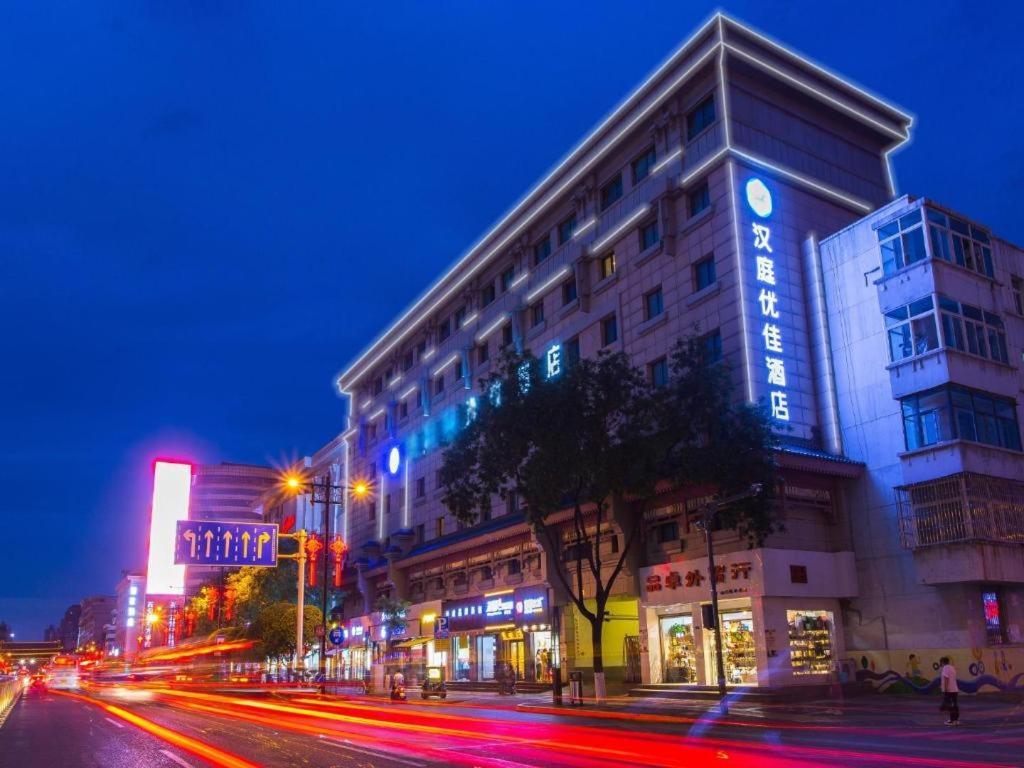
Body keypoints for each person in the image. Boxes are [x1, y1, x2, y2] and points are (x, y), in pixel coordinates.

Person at [940, 656, 959, 725]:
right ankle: (956, 720)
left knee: (950, 705)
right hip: (955, 689)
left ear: (942, 662)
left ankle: (952, 720)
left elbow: (946, 678)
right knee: (955, 705)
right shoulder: (952, 667)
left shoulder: (945, 668)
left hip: (949, 690)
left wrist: (945, 689)